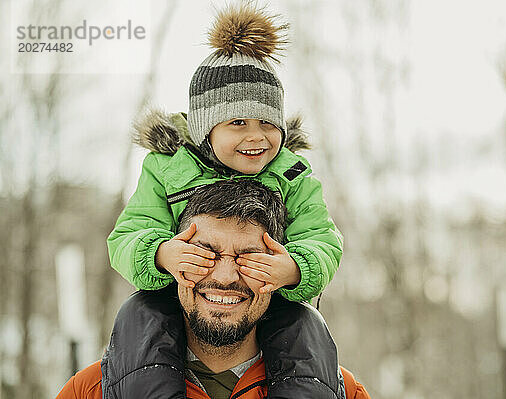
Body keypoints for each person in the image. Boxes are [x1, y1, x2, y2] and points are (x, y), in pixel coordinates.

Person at [106, 3, 343, 397]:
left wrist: (295, 268)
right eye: (238, 123)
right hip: (180, 295)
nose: (257, 138)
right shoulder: (167, 168)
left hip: (265, 294)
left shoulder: (292, 174)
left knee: (303, 327)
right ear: (205, 129)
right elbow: (129, 233)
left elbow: (322, 237)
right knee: (142, 318)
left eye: (269, 123)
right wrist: (161, 254)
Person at [57, 180, 369, 399]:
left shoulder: (343, 393)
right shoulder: (92, 391)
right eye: (204, 254)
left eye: (250, 257)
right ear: (171, 262)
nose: (225, 275)